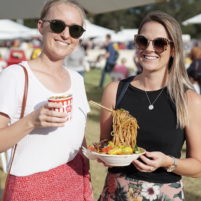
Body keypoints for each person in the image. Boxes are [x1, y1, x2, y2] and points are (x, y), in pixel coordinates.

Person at [98, 11, 201, 201]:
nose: (149, 48)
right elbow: (104, 145)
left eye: (160, 43)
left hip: (164, 195)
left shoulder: (189, 100)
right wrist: (105, 155)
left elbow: (198, 167)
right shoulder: (114, 91)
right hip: (117, 193)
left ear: (174, 50)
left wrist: (168, 162)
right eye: (143, 41)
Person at [0, 1, 93, 200]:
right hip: (30, 189)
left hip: (75, 182)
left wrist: (92, 163)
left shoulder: (77, 79)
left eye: (75, 30)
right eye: (58, 25)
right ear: (41, 26)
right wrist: (32, 121)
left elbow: (79, 136)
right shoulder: (16, 76)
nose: (66, 35)